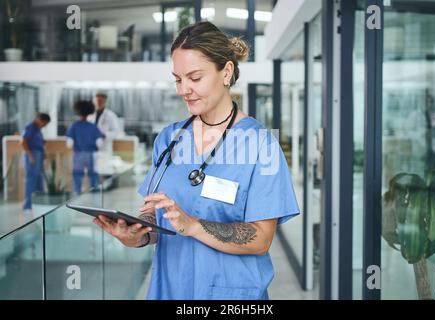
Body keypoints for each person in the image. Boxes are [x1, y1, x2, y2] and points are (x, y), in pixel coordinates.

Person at [92, 21, 300, 300]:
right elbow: (155, 215)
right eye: (178, 79)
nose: (183, 89)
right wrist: (137, 234)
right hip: (170, 289)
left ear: (226, 72)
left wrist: (193, 225)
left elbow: (261, 238)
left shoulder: (262, 146)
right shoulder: (169, 139)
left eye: (195, 77)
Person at [66, 100, 103, 195]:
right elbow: (99, 143)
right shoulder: (93, 126)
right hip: (91, 154)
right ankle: (94, 193)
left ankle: (76, 194)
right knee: (93, 175)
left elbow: (69, 143)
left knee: (77, 175)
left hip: (78, 154)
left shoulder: (74, 126)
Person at [21, 113, 51, 213]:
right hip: (32, 156)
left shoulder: (37, 129)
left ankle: (39, 204)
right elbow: (24, 142)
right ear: (38, 119)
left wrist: (44, 153)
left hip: (38, 155)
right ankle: (27, 206)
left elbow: (40, 143)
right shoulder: (30, 127)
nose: (44, 126)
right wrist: (30, 156)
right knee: (31, 181)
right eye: (44, 123)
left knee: (39, 181)